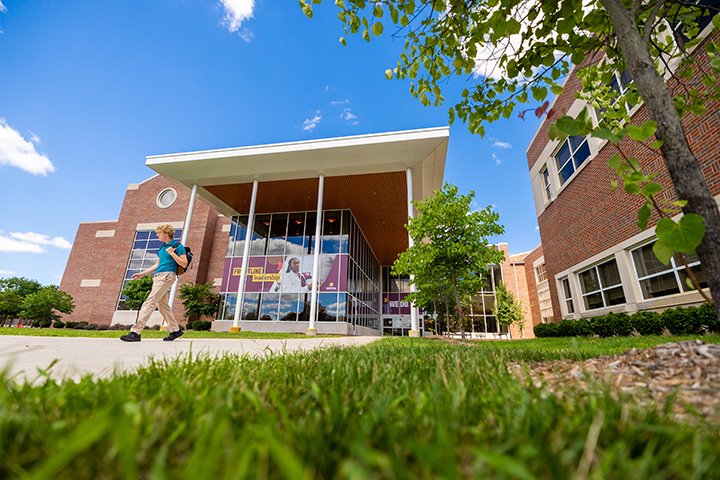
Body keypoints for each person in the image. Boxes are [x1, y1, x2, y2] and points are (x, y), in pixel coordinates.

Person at [120, 224, 188, 342]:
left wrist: (172, 253)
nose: (157, 235)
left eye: (159, 233)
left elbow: (184, 263)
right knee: (162, 306)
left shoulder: (178, 246)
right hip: (158, 277)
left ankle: (135, 332)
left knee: (150, 302)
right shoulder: (162, 248)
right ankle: (175, 330)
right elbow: (157, 265)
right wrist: (142, 274)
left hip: (167, 276)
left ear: (166, 233)